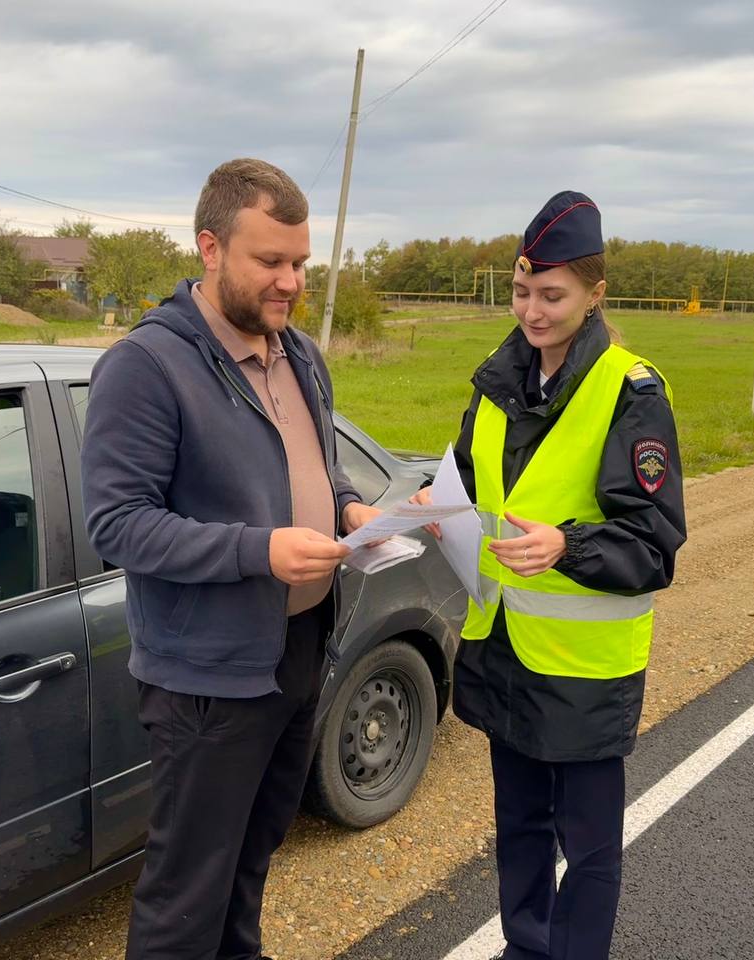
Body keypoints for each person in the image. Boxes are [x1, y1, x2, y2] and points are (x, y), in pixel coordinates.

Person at [80, 158, 380, 960]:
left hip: (299, 645)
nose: (290, 282)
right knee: (188, 893)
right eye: (270, 262)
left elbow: (316, 462)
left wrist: (350, 506)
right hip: (207, 680)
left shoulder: (300, 354)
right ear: (210, 249)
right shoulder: (145, 367)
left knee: (252, 856)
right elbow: (118, 525)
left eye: (301, 264)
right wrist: (260, 551)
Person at [413, 191, 686, 960]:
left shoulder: (631, 392)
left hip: (586, 670)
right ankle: (526, 947)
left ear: (595, 295)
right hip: (503, 648)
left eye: (552, 295)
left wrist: (567, 546)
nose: (532, 311)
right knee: (520, 828)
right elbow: (461, 481)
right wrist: (415, 510)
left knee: (589, 846)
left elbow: (655, 544)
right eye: (521, 292)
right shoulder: (496, 382)